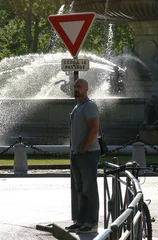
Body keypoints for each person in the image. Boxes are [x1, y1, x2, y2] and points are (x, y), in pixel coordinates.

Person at [66, 79, 101, 234]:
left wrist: (84, 148)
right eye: (75, 86)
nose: (76, 89)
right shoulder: (77, 107)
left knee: (90, 188)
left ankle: (91, 222)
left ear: (86, 89)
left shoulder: (90, 106)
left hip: (88, 153)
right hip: (77, 153)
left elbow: (94, 129)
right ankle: (81, 221)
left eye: (79, 87)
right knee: (81, 189)